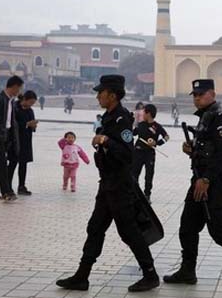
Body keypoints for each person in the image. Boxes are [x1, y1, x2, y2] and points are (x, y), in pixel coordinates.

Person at [56, 75, 160, 292]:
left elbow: (126, 153)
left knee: (129, 231)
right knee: (95, 228)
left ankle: (150, 275)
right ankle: (82, 276)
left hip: (120, 184)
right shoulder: (109, 117)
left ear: (112, 95)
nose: (97, 96)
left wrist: (105, 140)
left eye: (100, 92)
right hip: (108, 183)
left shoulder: (121, 119)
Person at [163, 79, 222, 289]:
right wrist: (191, 149)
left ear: (212, 95)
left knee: (217, 230)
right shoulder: (205, 119)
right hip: (198, 180)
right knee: (187, 227)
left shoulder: (220, 120)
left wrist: (206, 179)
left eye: (201, 94)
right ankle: (187, 271)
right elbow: (206, 149)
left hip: (212, 183)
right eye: (195, 95)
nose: (197, 98)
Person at [132, 104, 169, 203]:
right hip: (138, 152)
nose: (142, 114)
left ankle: (147, 195)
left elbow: (167, 137)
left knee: (149, 175)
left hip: (150, 154)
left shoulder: (157, 126)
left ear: (148, 114)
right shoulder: (141, 124)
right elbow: (132, 133)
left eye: (144, 112)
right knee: (134, 173)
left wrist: (157, 143)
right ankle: (135, 193)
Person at [7, 91, 38, 196]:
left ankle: (21, 186)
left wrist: (33, 126)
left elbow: (32, 125)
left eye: (33, 103)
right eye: (30, 102)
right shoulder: (14, 108)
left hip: (26, 140)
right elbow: (11, 123)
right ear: (24, 99)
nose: (31, 105)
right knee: (12, 163)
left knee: (23, 164)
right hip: (15, 140)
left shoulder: (30, 111)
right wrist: (26, 124)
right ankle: (7, 186)